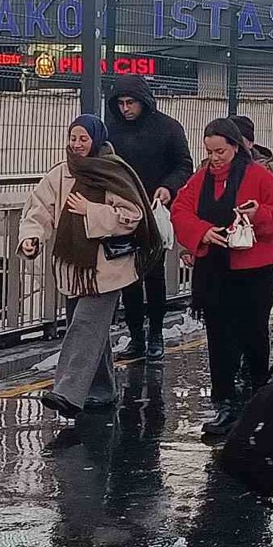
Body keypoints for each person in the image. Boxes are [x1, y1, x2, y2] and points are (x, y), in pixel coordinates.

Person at [20, 115, 161, 426]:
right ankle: (103, 390)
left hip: (108, 267)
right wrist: (32, 237)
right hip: (73, 266)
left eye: (83, 138)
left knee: (84, 326)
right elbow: (39, 209)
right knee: (89, 328)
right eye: (73, 137)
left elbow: (132, 216)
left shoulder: (113, 171)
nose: (77, 144)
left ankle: (67, 393)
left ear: (96, 139)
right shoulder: (61, 173)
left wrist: (91, 211)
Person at [171, 119, 273, 436]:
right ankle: (225, 403)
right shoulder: (200, 179)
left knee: (253, 333)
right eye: (209, 152)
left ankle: (259, 395)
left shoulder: (259, 175)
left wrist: (257, 214)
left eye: (220, 151)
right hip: (214, 270)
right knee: (219, 338)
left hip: (254, 270)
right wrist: (202, 232)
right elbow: (180, 210)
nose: (215, 158)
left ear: (235, 147)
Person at [106, 75, 194, 361]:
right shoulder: (112, 130)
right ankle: (136, 337)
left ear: (143, 102)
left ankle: (155, 334)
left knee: (154, 276)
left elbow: (184, 165)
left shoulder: (168, 128)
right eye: (121, 103)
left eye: (131, 103)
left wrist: (168, 187)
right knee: (128, 278)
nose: (126, 109)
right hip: (123, 213)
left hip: (155, 210)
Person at [229, 114, 273, 188]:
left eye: (238, 140)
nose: (234, 146)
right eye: (229, 141)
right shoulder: (217, 168)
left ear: (250, 143)